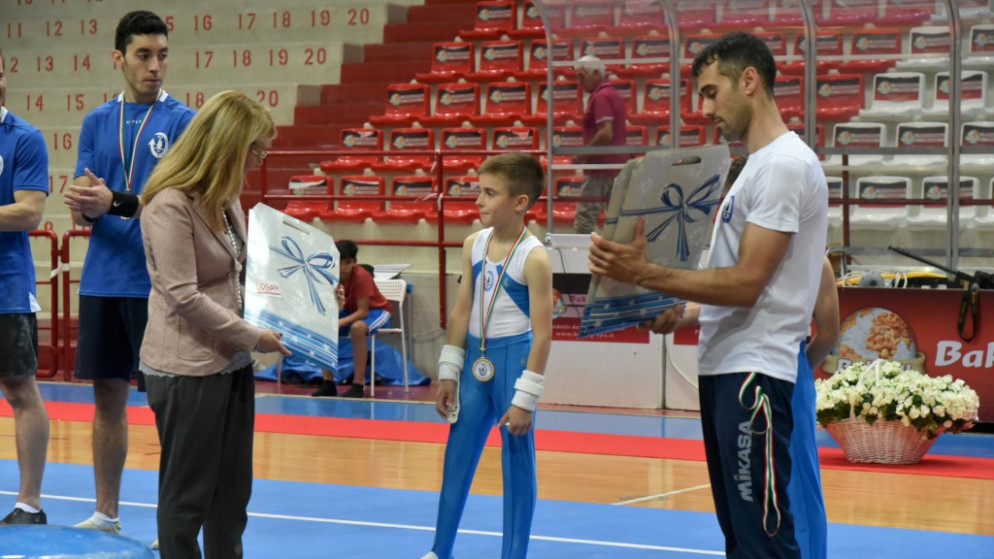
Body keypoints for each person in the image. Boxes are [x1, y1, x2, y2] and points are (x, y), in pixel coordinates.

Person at [589, 32, 828, 558]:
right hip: (728, 367)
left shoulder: (785, 165)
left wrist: (648, 274)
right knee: (741, 537)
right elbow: (740, 287)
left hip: (756, 374)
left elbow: (747, 283)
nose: (704, 109)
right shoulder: (755, 169)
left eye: (711, 92)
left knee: (763, 539)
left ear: (750, 81)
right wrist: (680, 311)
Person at [138, 90, 290, 557]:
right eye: (256, 149)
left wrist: (311, 303)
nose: (259, 160)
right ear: (228, 145)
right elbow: (183, 296)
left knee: (231, 496)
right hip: (186, 369)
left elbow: (243, 274)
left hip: (231, 363)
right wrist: (254, 336)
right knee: (187, 500)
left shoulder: (225, 198)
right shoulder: (169, 205)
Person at [62, 10, 195, 535]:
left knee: (168, 406)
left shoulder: (182, 121)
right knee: (106, 401)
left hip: (158, 283)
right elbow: (83, 204)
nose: (155, 66)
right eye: (144, 55)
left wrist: (113, 200)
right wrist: (83, 202)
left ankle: (174, 525)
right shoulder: (97, 121)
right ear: (119, 58)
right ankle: (106, 513)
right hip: (102, 279)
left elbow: (180, 205)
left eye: (162, 55)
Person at [421, 153, 552, 559]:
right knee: (456, 457)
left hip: (514, 363)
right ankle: (440, 550)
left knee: (517, 464)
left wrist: (525, 398)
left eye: (490, 193)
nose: (478, 200)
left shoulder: (534, 257)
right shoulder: (473, 244)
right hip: (475, 363)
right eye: (480, 191)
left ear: (520, 202)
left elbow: (544, 335)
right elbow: (462, 311)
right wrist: (449, 372)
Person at [0, 46, 52, 526]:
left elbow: (29, 212)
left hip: (6, 286)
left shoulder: (24, 138)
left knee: (20, 389)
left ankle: (29, 504)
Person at [788, 258, 838, 559]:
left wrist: (798, 369)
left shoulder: (816, 260)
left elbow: (828, 333)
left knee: (799, 484)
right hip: (742, 373)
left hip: (789, 372)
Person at [311, 240, 394, 398]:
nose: (342, 268)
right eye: (339, 263)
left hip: (377, 310)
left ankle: (358, 385)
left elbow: (363, 312)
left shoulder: (362, 276)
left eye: (347, 263)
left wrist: (339, 322)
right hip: (351, 310)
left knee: (357, 328)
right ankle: (328, 382)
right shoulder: (329, 275)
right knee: (323, 326)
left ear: (355, 262)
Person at [573, 54, 628, 235]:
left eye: (582, 77)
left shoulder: (601, 97)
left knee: (585, 220)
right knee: (615, 218)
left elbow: (605, 132)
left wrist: (582, 155)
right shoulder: (613, 94)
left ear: (596, 73)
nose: (580, 82)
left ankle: (582, 252)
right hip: (614, 166)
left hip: (599, 168)